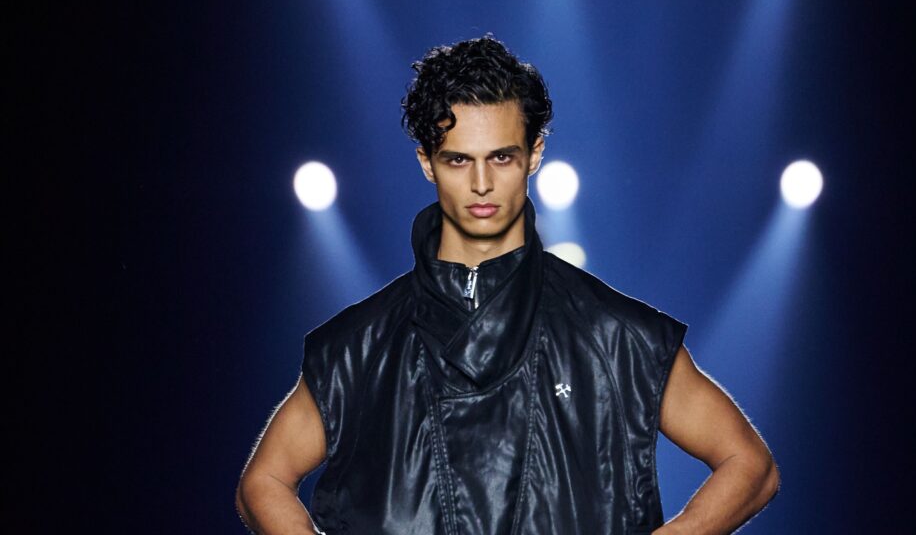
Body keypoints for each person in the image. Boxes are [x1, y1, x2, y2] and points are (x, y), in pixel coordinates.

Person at [236, 34, 779, 535]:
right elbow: (264, 482)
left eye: (501, 157)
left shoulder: (616, 334)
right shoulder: (358, 346)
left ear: (534, 154)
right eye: (457, 160)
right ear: (427, 162)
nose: (481, 184)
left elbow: (751, 466)